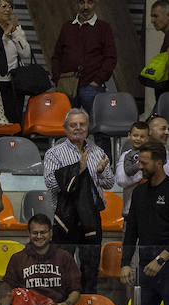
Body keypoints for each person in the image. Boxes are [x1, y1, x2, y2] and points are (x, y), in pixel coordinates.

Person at [42, 108, 114, 294]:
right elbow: (51, 183)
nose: (78, 128)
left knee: (90, 272)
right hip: (65, 219)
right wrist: (77, 168)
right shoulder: (54, 153)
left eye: (82, 124)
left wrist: (99, 171)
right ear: (65, 129)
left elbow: (109, 183)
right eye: (73, 125)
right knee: (61, 271)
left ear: (88, 127)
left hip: (91, 218)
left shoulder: (98, 151)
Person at [122, 143, 169, 305]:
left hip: (168, 266)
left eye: (144, 163)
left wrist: (161, 259)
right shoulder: (139, 192)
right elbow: (131, 231)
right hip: (145, 267)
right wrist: (125, 263)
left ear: (159, 163)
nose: (140, 166)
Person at [0, 214, 82, 305]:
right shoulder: (17, 258)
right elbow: (8, 289)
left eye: (43, 232)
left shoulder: (64, 257)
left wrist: (67, 304)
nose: (39, 236)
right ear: (29, 234)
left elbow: (75, 289)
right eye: (35, 233)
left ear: (51, 233)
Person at [49, 0, 116, 116]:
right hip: (67, 84)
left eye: (89, 2)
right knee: (65, 125)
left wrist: (98, 80)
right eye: (81, 2)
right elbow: (57, 55)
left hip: (92, 86)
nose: (85, 7)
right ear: (76, 4)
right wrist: (57, 79)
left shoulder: (104, 28)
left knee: (98, 126)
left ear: (95, 3)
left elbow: (110, 57)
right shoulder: (67, 27)